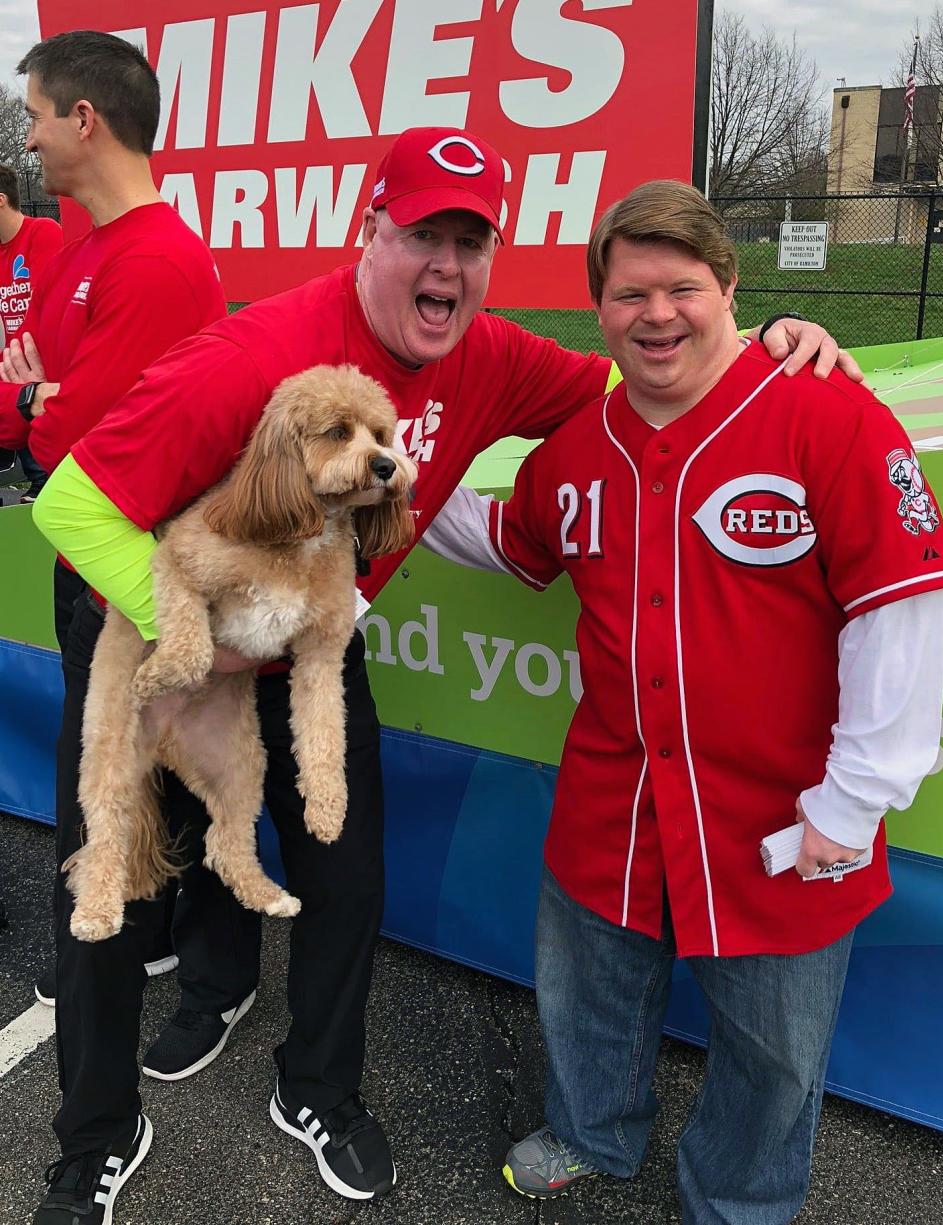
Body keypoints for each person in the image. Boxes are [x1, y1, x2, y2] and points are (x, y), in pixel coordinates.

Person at [32, 123, 855, 1221]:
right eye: (423, 233)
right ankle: (94, 1132)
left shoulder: (496, 356)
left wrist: (777, 339)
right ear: (368, 232)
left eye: (471, 242)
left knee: (345, 868)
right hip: (158, 630)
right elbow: (70, 505)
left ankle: (317, 1085)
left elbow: (658, 369)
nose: (447, 266)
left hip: (305, 641)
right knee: (114, 891)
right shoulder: (253, 355)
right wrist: (204, 644)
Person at [419, 180, 943, 1223]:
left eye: (682, 288)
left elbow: (899, 614)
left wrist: (849, 806)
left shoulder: (827, 412)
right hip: (614, 797)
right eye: (629, 294)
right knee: (587, 995)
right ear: (599, 307)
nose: (656, 314)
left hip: (783, 816)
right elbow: (510, 541)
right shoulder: (578, 441)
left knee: (774, 1050)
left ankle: (741, 1202)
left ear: (730, 287)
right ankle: (592, 1133)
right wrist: (400, 488)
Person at [0, 32, 232, 1034]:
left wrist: (37, 403)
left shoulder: (161, 262)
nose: (31, 135)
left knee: (113, 767)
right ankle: (137, 926)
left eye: (37, 114)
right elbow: (36, 407)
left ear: (84, 120)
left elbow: (71, 443)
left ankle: (116, 947)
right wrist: (37, 401)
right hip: (89, 564)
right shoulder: (83, 248)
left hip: (134, 575)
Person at [0, 162, 62, 500]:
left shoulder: (43, 232)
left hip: (41, 364)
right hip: (13, 367)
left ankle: (44, 483)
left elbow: (46, 301)